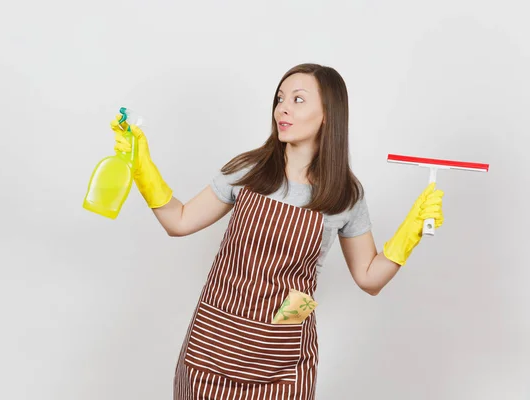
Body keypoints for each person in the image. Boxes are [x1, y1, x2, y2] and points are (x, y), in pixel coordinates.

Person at [111, 63, 444, 399]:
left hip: (283, 361)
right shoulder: (248, 170)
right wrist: (143, 168)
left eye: (298, 100)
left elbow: (369, 279)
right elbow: (179, 221)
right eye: (280, 98)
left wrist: (409, 233)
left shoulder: (345, 195)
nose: (282, 108)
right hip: (213, 351)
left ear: (328, 114)